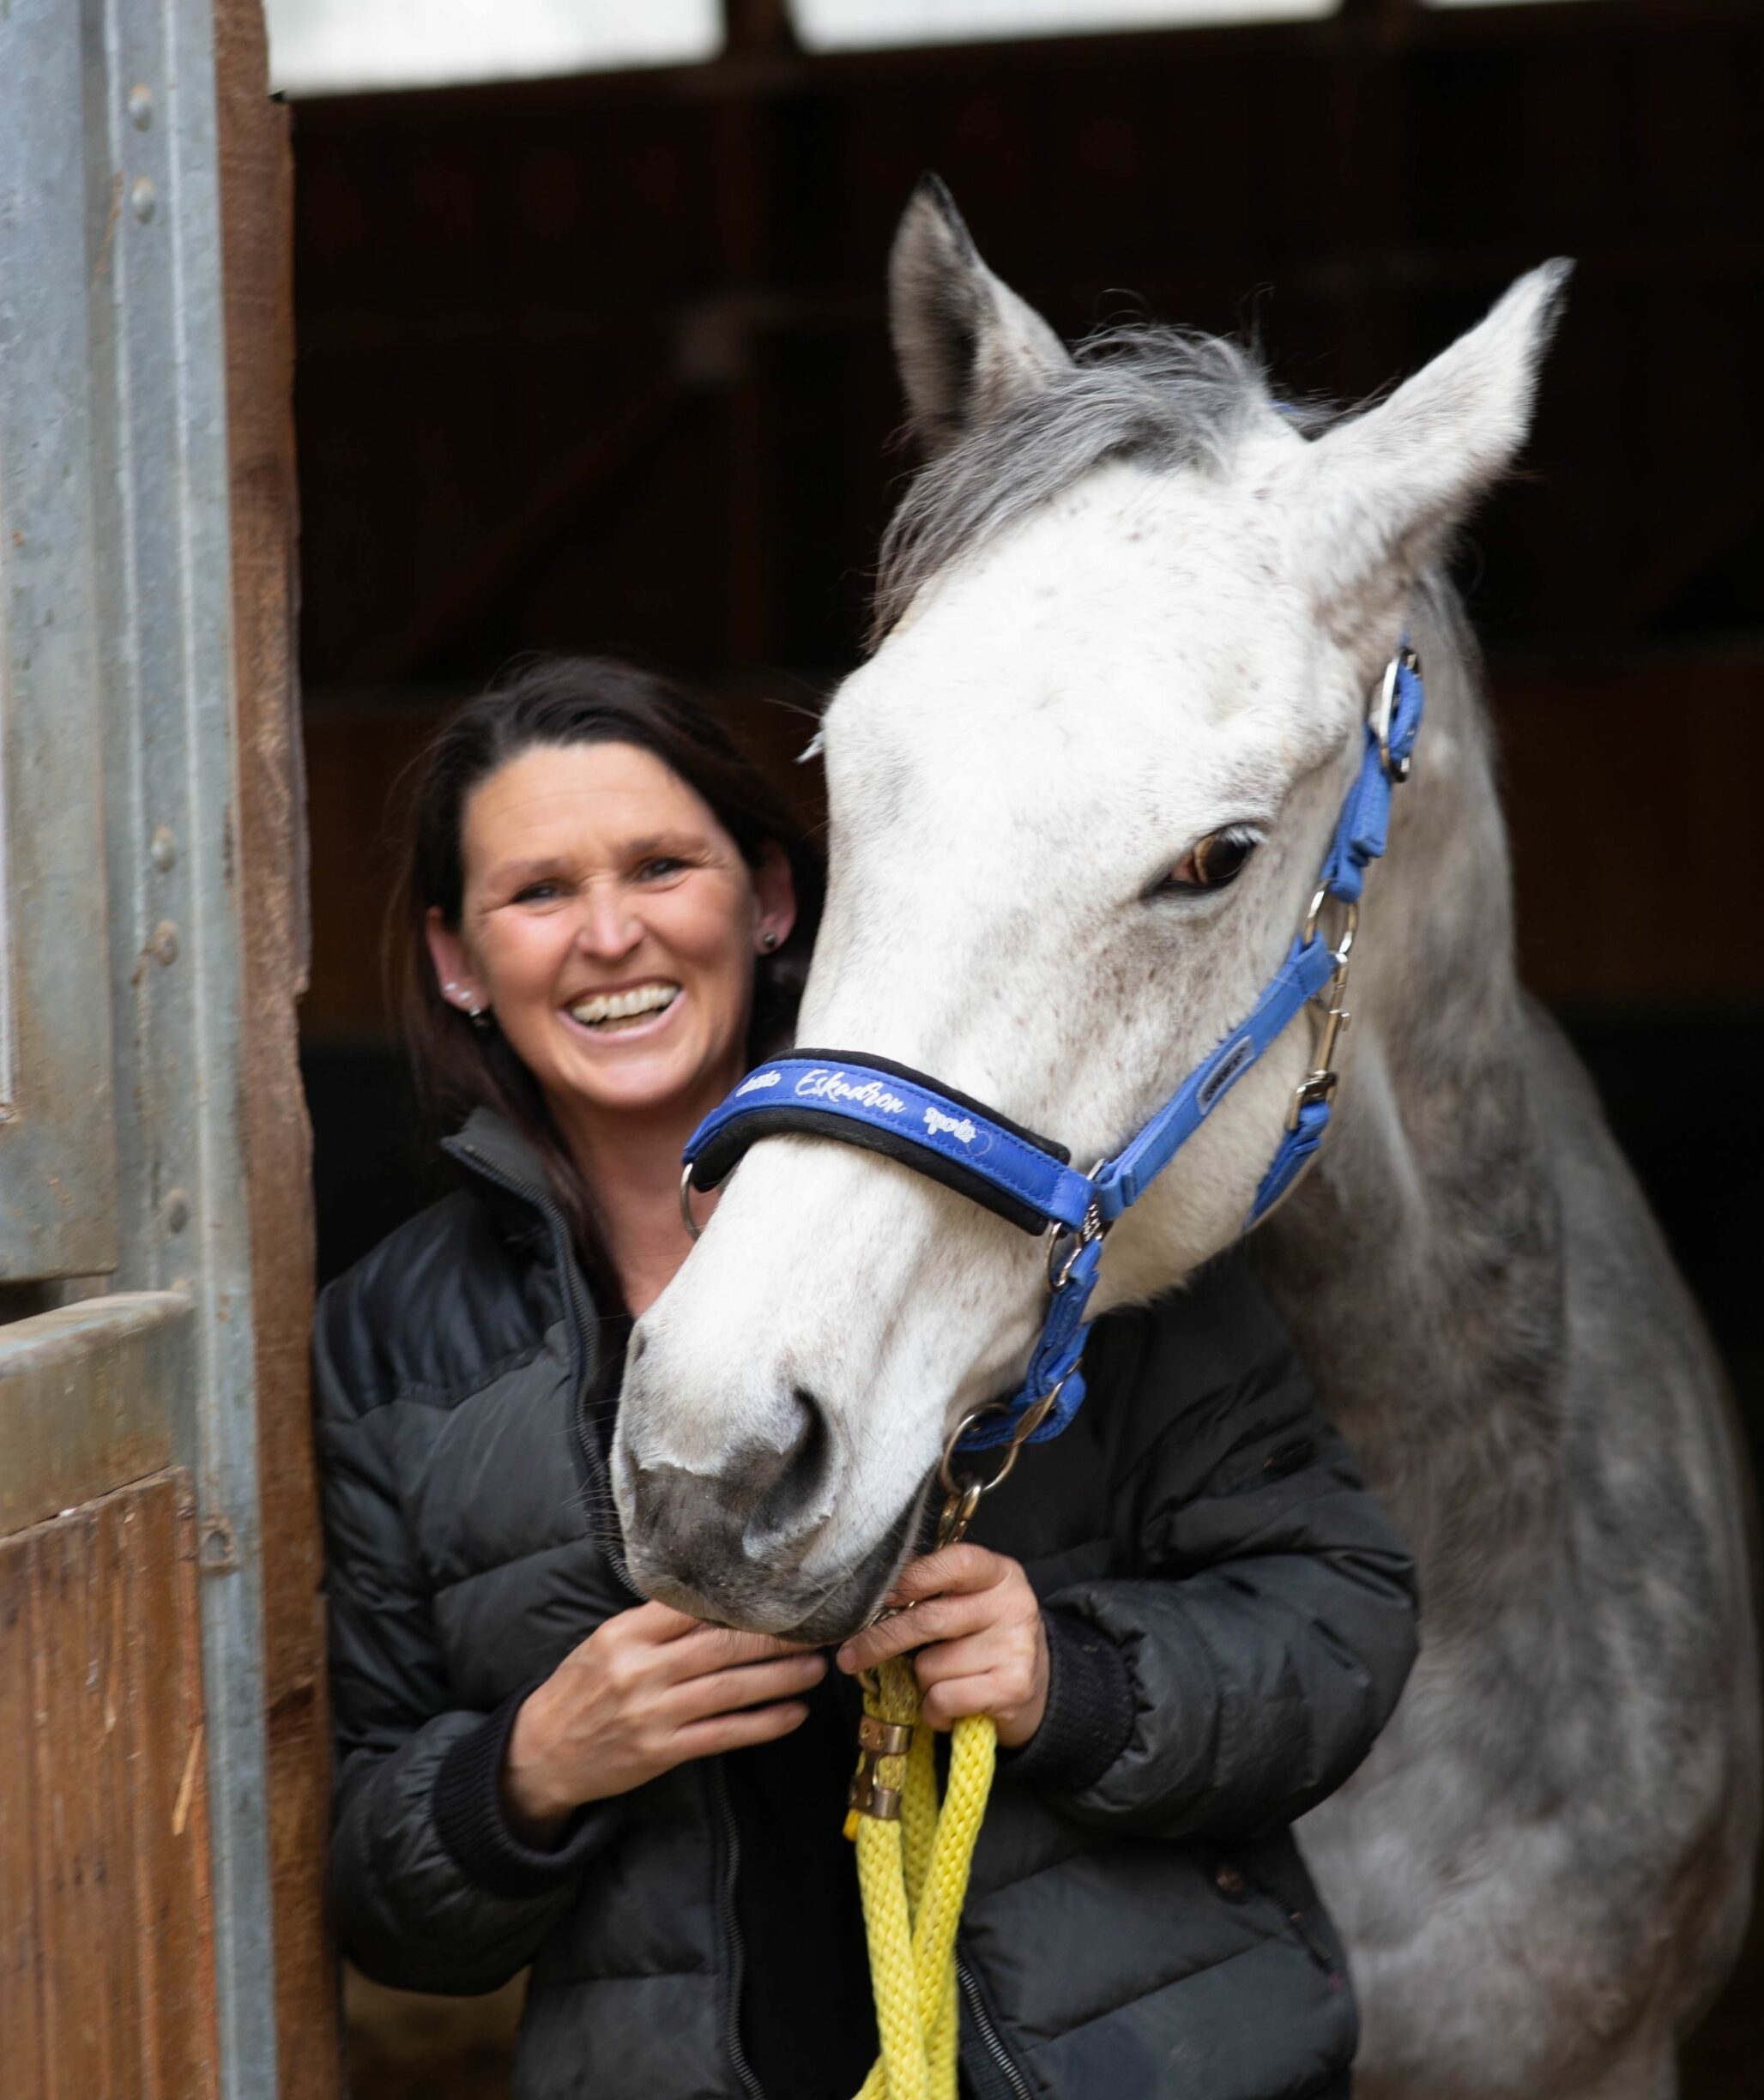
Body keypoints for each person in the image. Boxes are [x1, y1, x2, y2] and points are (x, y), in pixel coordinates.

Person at [315, 654, 1419, 2100]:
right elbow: (371, 1882)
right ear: (459, 958)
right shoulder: (394, 1338)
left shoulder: (1046, 1203)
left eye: (661, 866)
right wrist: (529, 1767)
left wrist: (1068, 1683)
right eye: (536, 893)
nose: (607, 933)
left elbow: (1336, 1614)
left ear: (768, 899)